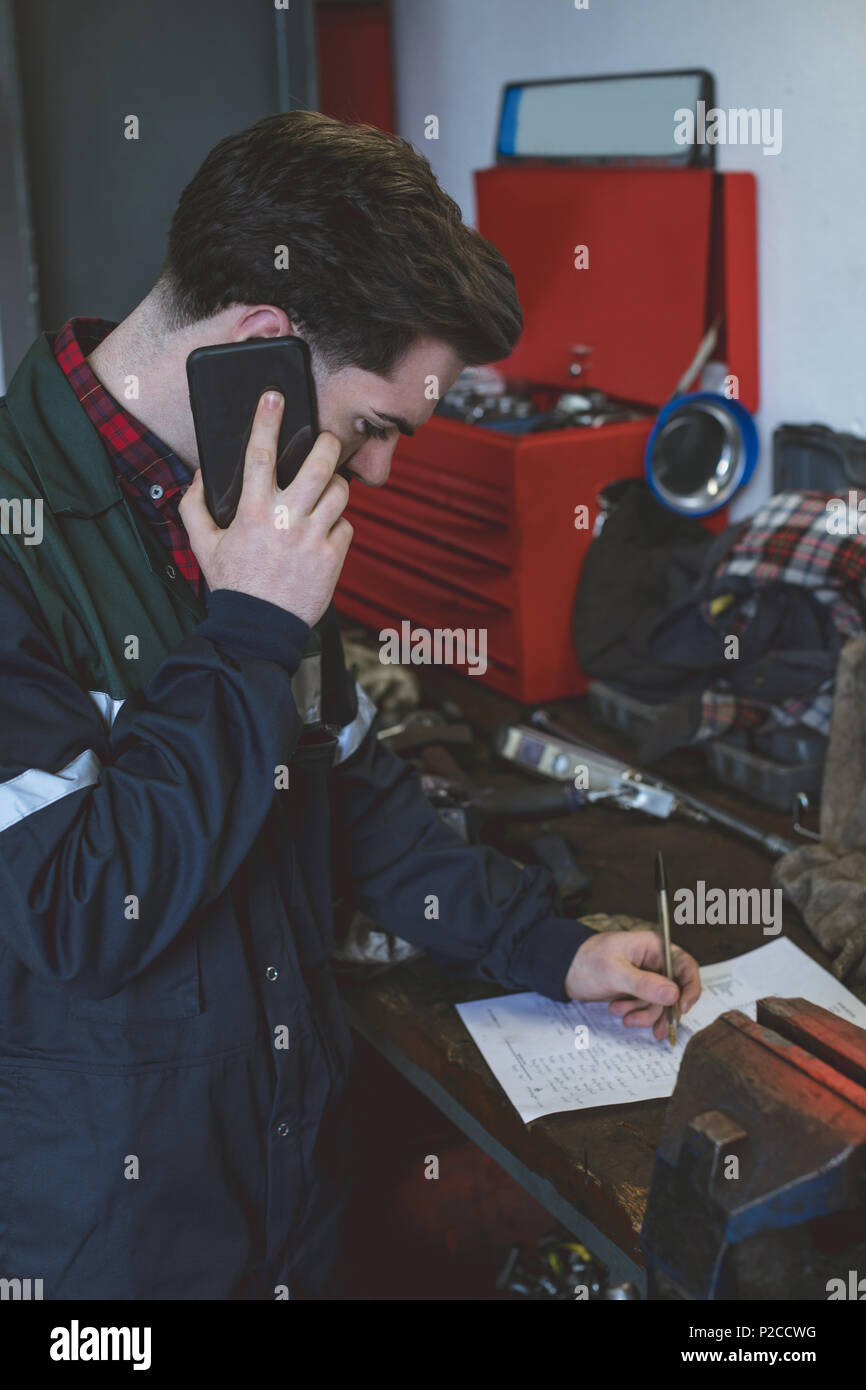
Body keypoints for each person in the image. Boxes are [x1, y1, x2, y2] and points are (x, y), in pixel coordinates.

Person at [0, 109, 700, 1299]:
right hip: (113, 1251)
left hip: (291, 1193)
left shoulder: (253, 501)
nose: (376, 471)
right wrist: (249, 629)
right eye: (374, 426)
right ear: (263, 343)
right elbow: (80, 910)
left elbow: (358, 798)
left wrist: (550, 947)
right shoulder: (27, 542)